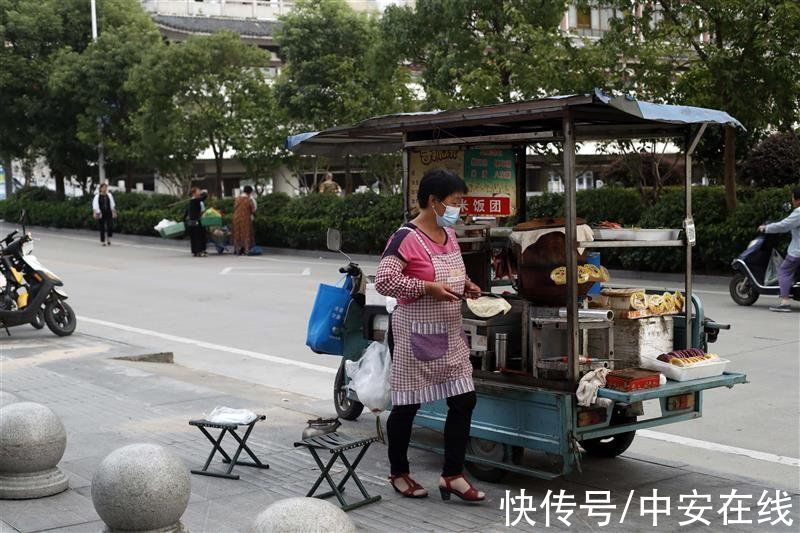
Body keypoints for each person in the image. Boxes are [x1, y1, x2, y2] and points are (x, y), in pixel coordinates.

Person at [374, 168, 485, 502]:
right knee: (408, 406)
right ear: (434, 201)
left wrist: (465, 285)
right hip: (413, 333)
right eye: (454, 203)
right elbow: (384, 280)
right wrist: (426, 287)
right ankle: (399, 472)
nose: (459, 210)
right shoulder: (405, 237)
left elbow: (452, 273)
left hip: (450, 332)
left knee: (464, 399)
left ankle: (452, 474)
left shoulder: (448, 234)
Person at [758, 186, 800, 312]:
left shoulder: (798, 212)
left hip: (797, 251)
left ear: (798, 200)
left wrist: (766, 228)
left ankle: (785, 301)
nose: (792, 200)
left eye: (793, 197)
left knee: (784, 271)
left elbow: (784, 225)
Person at [232, 185, 256, 255]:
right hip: (245, 218)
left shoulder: (237, 198)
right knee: (246, 233)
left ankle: (237, 249)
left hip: (236, 218)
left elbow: (235, 207)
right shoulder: (249, 199)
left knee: (237, 233)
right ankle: (246, 250)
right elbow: (253, 210)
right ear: (250, 192)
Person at [185, 187, 208, 257]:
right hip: (195, 221)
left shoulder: (193, 200)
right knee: (198, 236)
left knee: (194, 237)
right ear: (194, 193)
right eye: (198, 191)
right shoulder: (195, 200)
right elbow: (204, 197)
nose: (200, 192)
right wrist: (204, 192)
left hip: (192, 221)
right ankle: (199, 251)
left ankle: (195, 251)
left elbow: (187, 212)